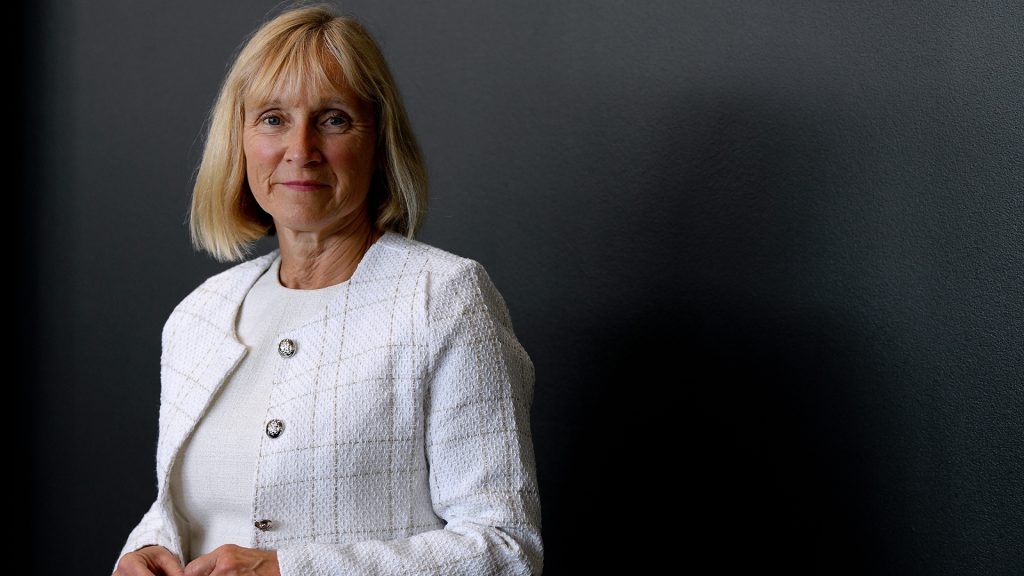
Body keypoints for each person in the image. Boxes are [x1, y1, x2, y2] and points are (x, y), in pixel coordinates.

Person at [113, 5, 542, 575]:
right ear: (239, 140)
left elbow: (505, 549)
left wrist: (288, 570)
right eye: (272, 119)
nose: (301, 148)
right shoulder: (200, 314)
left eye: (334, 119)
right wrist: (145, 548)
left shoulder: (442, 299)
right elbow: (185, 509)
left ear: (378, 140)